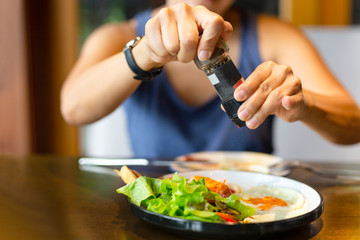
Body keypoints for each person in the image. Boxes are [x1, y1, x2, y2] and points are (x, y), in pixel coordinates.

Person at [61, 0, 360, 158]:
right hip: (157, 213)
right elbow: (73, 108)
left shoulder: (275, 35)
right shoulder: (120, 34)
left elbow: (353, 125)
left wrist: (302, 103)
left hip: (254, 210)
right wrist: (144, 54)